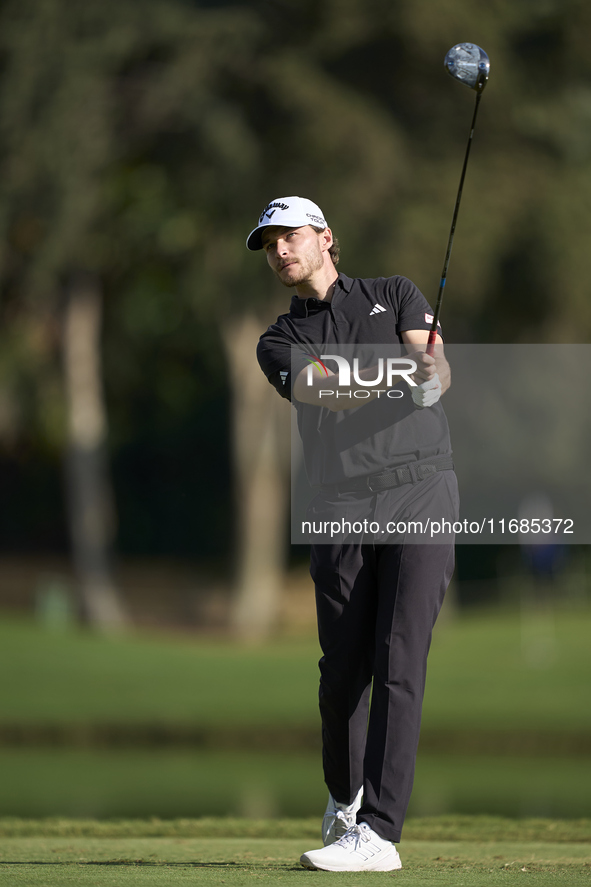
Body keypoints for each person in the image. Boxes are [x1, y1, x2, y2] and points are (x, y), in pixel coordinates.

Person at [248, 196, 458, 872]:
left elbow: (437, 370)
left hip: (420, 489)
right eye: (269, 242)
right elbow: (322, 388)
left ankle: (378, 832)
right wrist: (408, 376)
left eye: (289, 236)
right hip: (340, 507)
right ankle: (345, 800)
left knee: (400, 657)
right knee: (341, 673)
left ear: (326, 238)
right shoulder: (277, 340)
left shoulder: (393, 293)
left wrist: (431, 373)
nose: (279, 250)